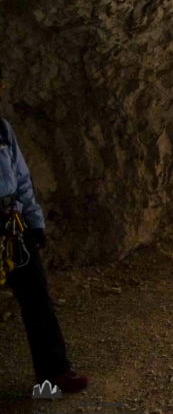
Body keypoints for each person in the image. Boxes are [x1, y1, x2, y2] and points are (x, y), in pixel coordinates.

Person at [0, 116, 88, 394]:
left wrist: (34, 222)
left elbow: (22, 178)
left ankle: (54, 372)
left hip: (12, 223)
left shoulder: (2, 128)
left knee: (37, 299)